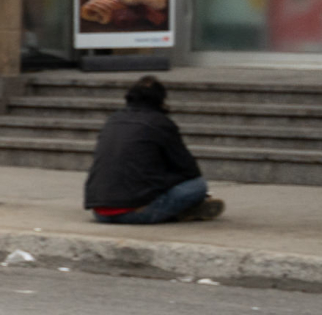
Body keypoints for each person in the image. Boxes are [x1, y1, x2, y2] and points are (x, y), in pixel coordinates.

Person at [84, 77, 224, 224]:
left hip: (100, 212)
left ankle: (179, 211)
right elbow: (190, 170)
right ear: (161, 100)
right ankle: (182, 210)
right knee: (197, 186)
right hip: (137, 212)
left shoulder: (112, 120)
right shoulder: (160, 123)